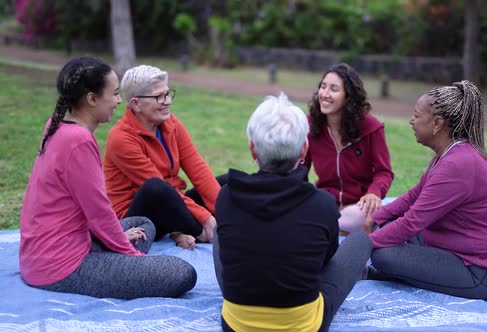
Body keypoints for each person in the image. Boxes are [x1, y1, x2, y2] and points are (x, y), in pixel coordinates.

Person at [19, 56, 197, 299]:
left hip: (46, 253)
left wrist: (118, 241)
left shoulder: (58, 125)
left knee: (143, 224)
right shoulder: (78, 141)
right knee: (182, 273)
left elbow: (94, 213)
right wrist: (131, 257)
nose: (118, 101)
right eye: (114, 94)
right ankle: (115, 265)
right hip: (61, 267)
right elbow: (99, 211)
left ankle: (114, 262)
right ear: (91, 99)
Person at [213, 93, 373, 331]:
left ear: (252, 149)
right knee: (359, 240)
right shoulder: (323, 204)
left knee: (220, 233)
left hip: (236, 324)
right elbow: (325, 259)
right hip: (303, 325)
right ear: (303, 150)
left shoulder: (226, 196)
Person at [363, 80, 487, 300]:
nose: (411, 120)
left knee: (382, 254)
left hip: (481, 271)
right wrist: (376, 217)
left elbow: (412, 221)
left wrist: (362, 244)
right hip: (453, 248)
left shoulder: (458, 164)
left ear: (437, 123)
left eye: (416, 116)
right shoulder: (448, 154)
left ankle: (394, 272)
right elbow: (414, 196)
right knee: (387, 228)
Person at [103, 65, 219, 249]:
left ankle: (187, 229)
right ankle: (198, 233)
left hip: (172, 202)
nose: (168, 101)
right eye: (159, 96)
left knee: (226, 183)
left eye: (168, 93)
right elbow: (158, 188)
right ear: (136, 104)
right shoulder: (121, 138)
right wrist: (205, 220)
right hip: (136, 217)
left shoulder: (171, 124)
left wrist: (222, 212)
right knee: (156, 188)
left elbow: (198, 170)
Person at [305, 63, 394, 234]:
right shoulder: (311, 124)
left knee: (363, 215)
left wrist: (374, 193)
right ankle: (340, 230)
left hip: (358, 206)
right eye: (323, 87)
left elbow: (384, 172)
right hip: (325, 203)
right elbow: (302, 167)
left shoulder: (371, 128)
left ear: (348, 96)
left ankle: (326, 229)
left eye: (334, 89)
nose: (325, 94)